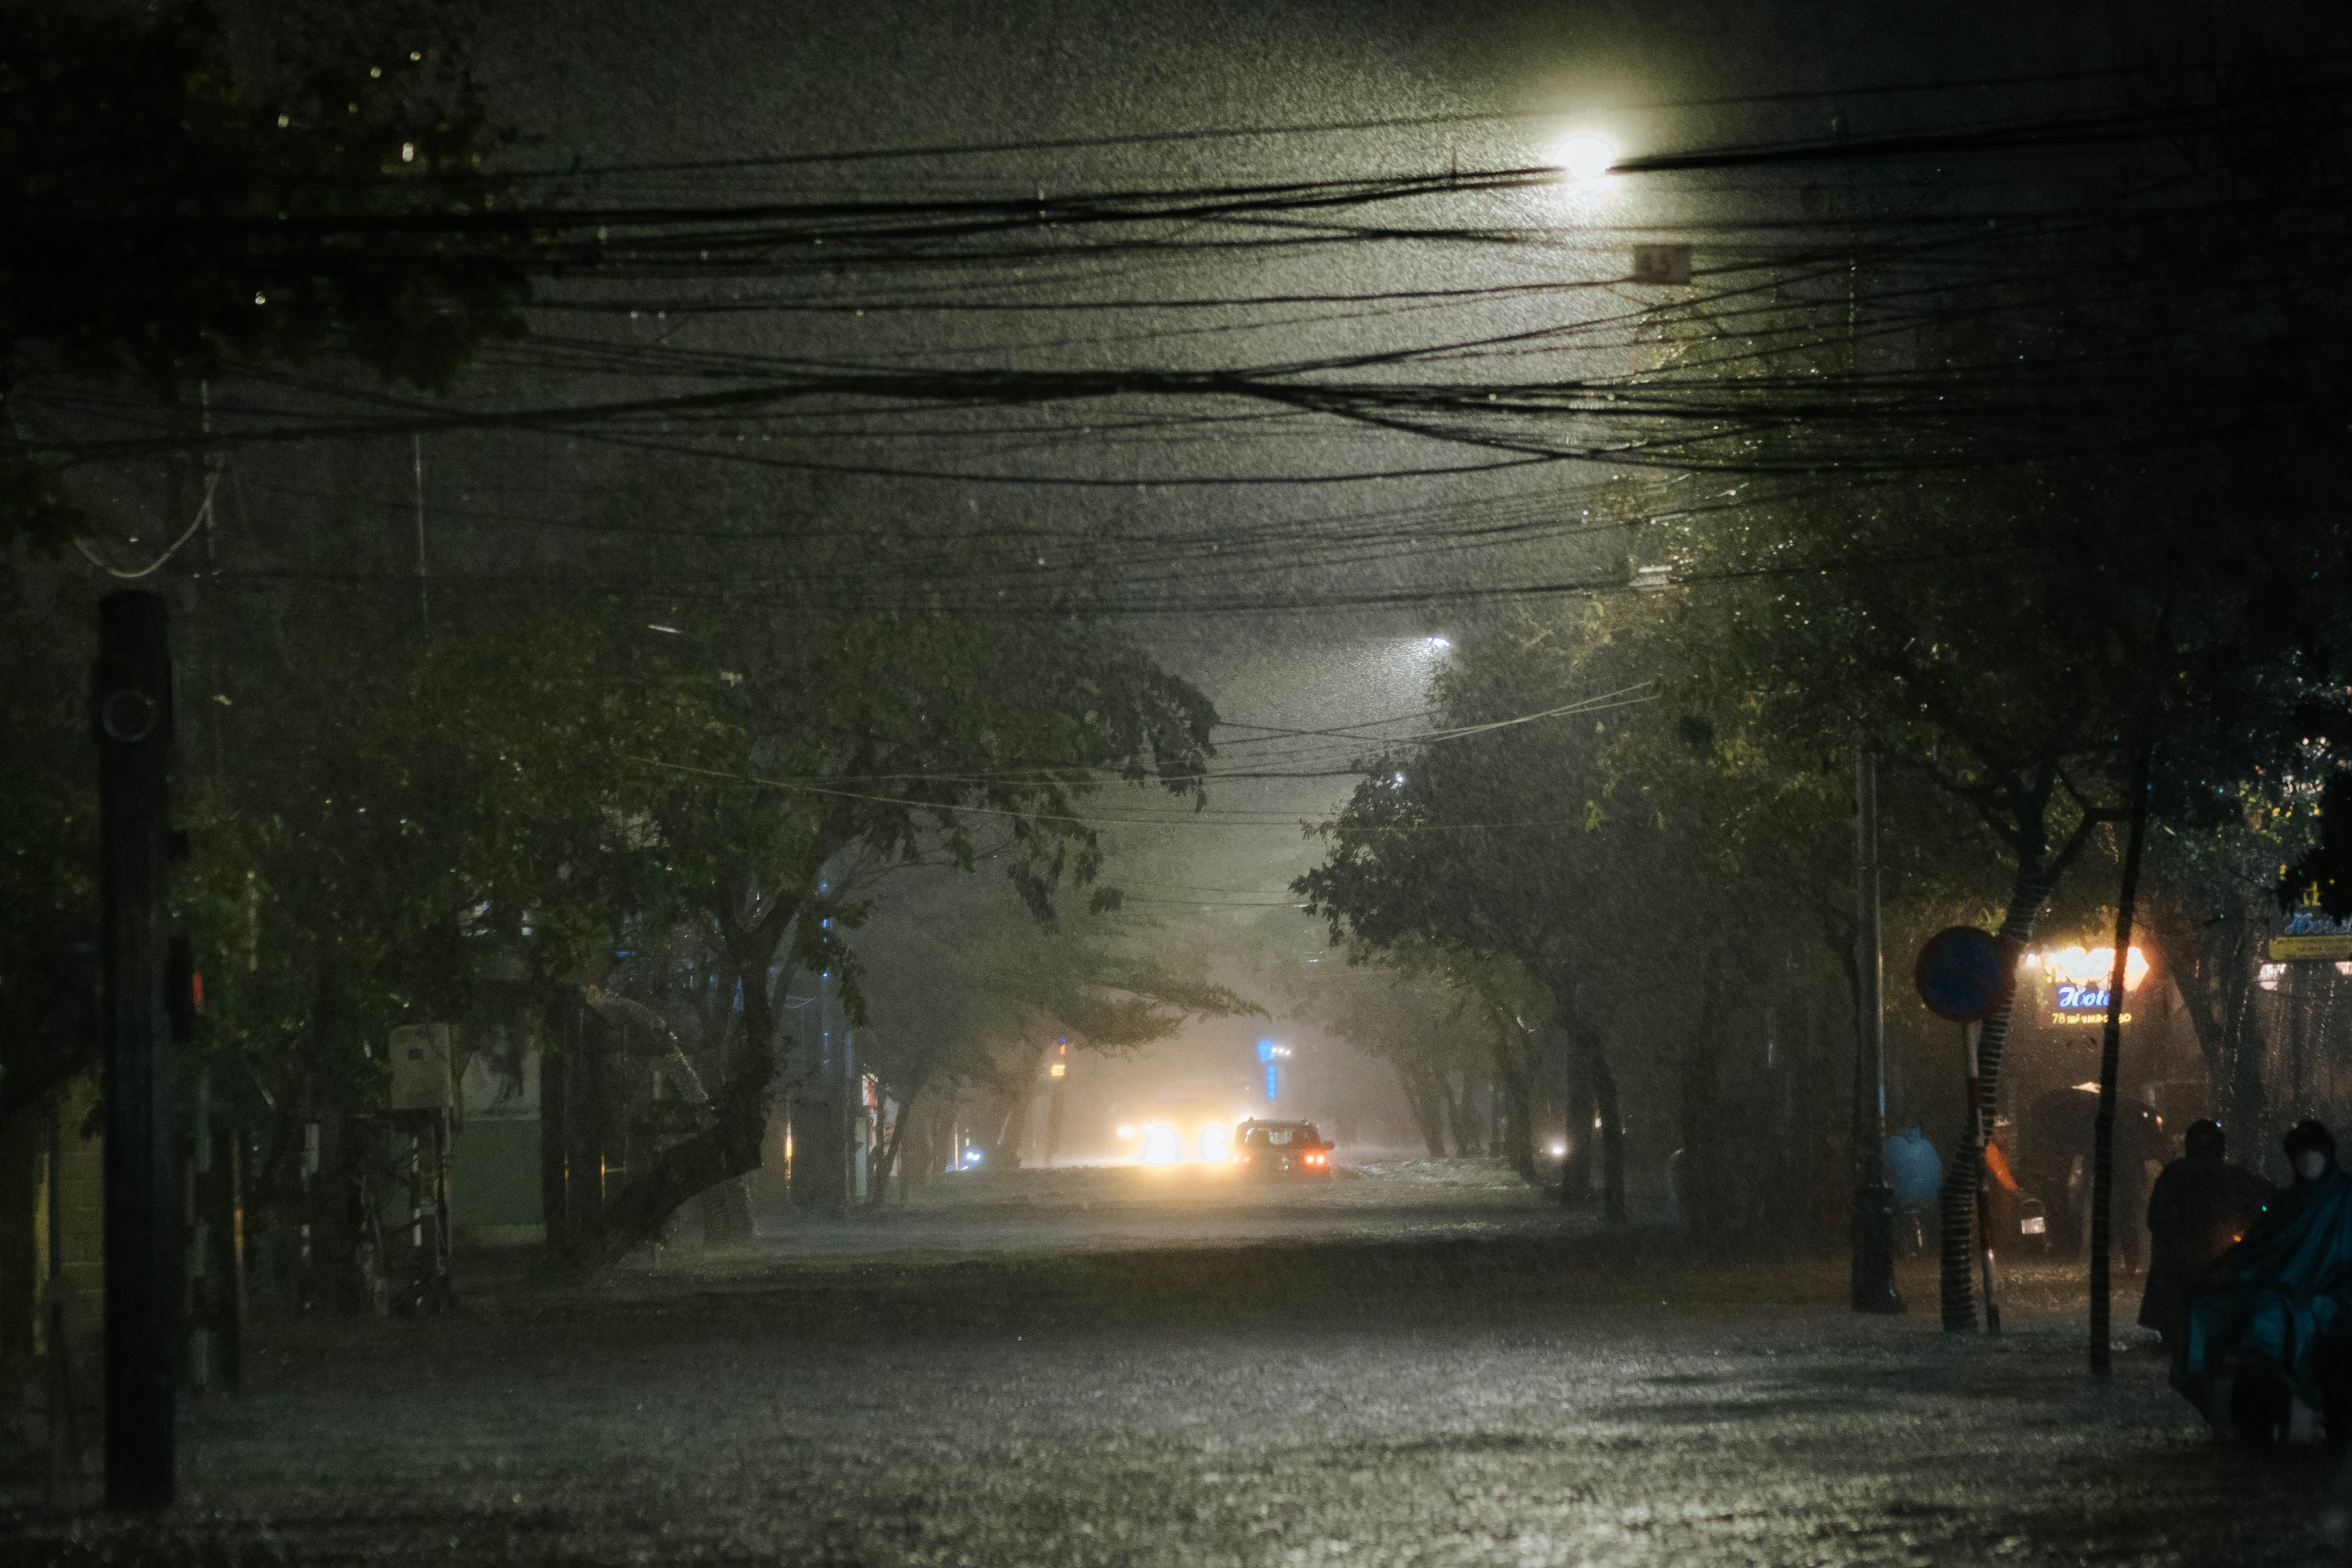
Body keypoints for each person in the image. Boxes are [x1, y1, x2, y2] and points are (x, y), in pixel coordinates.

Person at [2177, 1120, 2352, 1444]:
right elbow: (2258, 1247)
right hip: (2282, 1293)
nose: (2308, 1162)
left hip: (2330, 1297)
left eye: (2314, 1155)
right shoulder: (2289, 1204)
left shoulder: (2345, 1199)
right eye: (2301, 1156)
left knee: (2279, 1321)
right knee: (2252, 1317)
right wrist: (2222, 1272)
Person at [2137, 1119, 2273, 1349]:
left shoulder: (2173, 1174)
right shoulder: (2233, 1176)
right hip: (2215, 1265)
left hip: (2176, 1273)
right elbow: (2268, 1200)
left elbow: (2156, 1219)